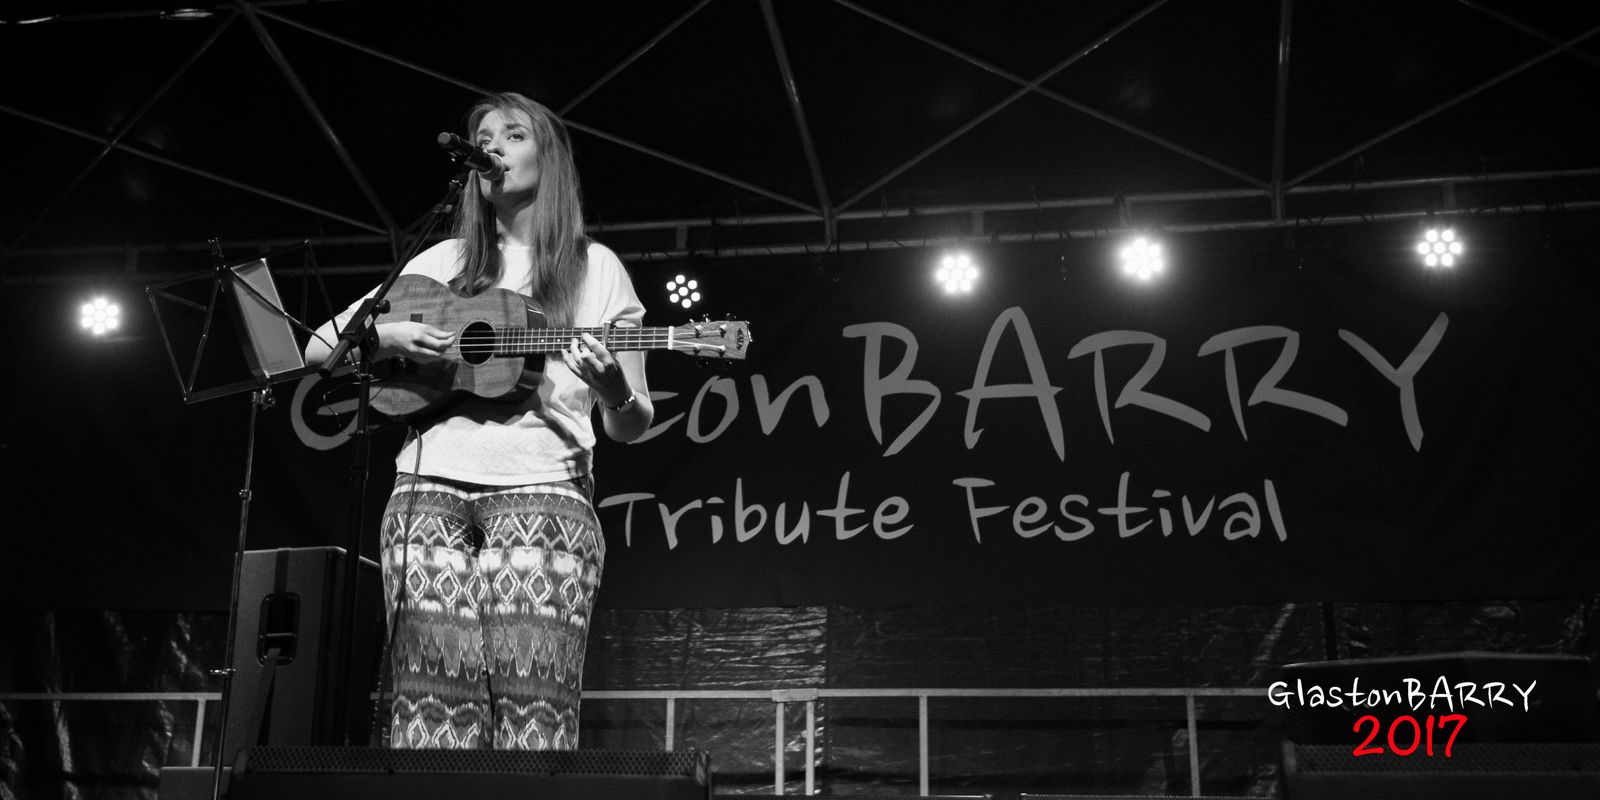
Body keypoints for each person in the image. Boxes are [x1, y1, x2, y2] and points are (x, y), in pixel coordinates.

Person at [303, 91, 652, 750]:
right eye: (484, 139)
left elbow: (631, 423)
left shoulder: (595, 268)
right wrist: (389, 336)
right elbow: (319, 346)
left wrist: (614, 391)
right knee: (428, 714)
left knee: (535, 714)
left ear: (549, 158)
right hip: (425, 492)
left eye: (513, 135)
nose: (492, 147)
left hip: (545, 495)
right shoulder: (442, 262)